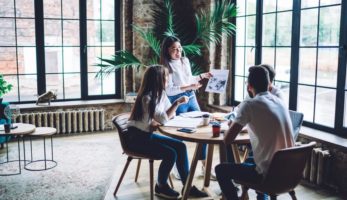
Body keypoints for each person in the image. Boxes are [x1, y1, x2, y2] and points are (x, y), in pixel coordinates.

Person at [127, 65, 208, 199]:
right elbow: (164, 119)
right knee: (170, 154)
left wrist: (170, 110)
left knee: (180, 146)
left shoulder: (161, 93)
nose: (167, 80)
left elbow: (170, 115)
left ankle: (187, 186)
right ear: (157, 80)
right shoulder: (147, 98)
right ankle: (161, 186)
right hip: (136, 138)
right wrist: (176, 103)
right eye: (165, 77)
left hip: (146, 134)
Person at [215, 66, 294, 200]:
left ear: (249, 86)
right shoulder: (280, 102)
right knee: (250, 159)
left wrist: (231, 125)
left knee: (220, 170)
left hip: (268, 174)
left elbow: (227, 140)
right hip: (290, 172)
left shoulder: (250, 105)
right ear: (268, 85)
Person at [160, 36, 214, 180]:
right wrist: (189, 86)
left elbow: (189, 79)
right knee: (180, 135)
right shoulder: (165, 67)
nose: (178, 52)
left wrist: (202, 76)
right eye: (174, 49)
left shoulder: (185, 61)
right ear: (167, 50)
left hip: (191, 97)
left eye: (179, 48)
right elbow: (169, 90)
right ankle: (179, 169)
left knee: (203, 129)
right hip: (177, 100)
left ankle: (205, 167)